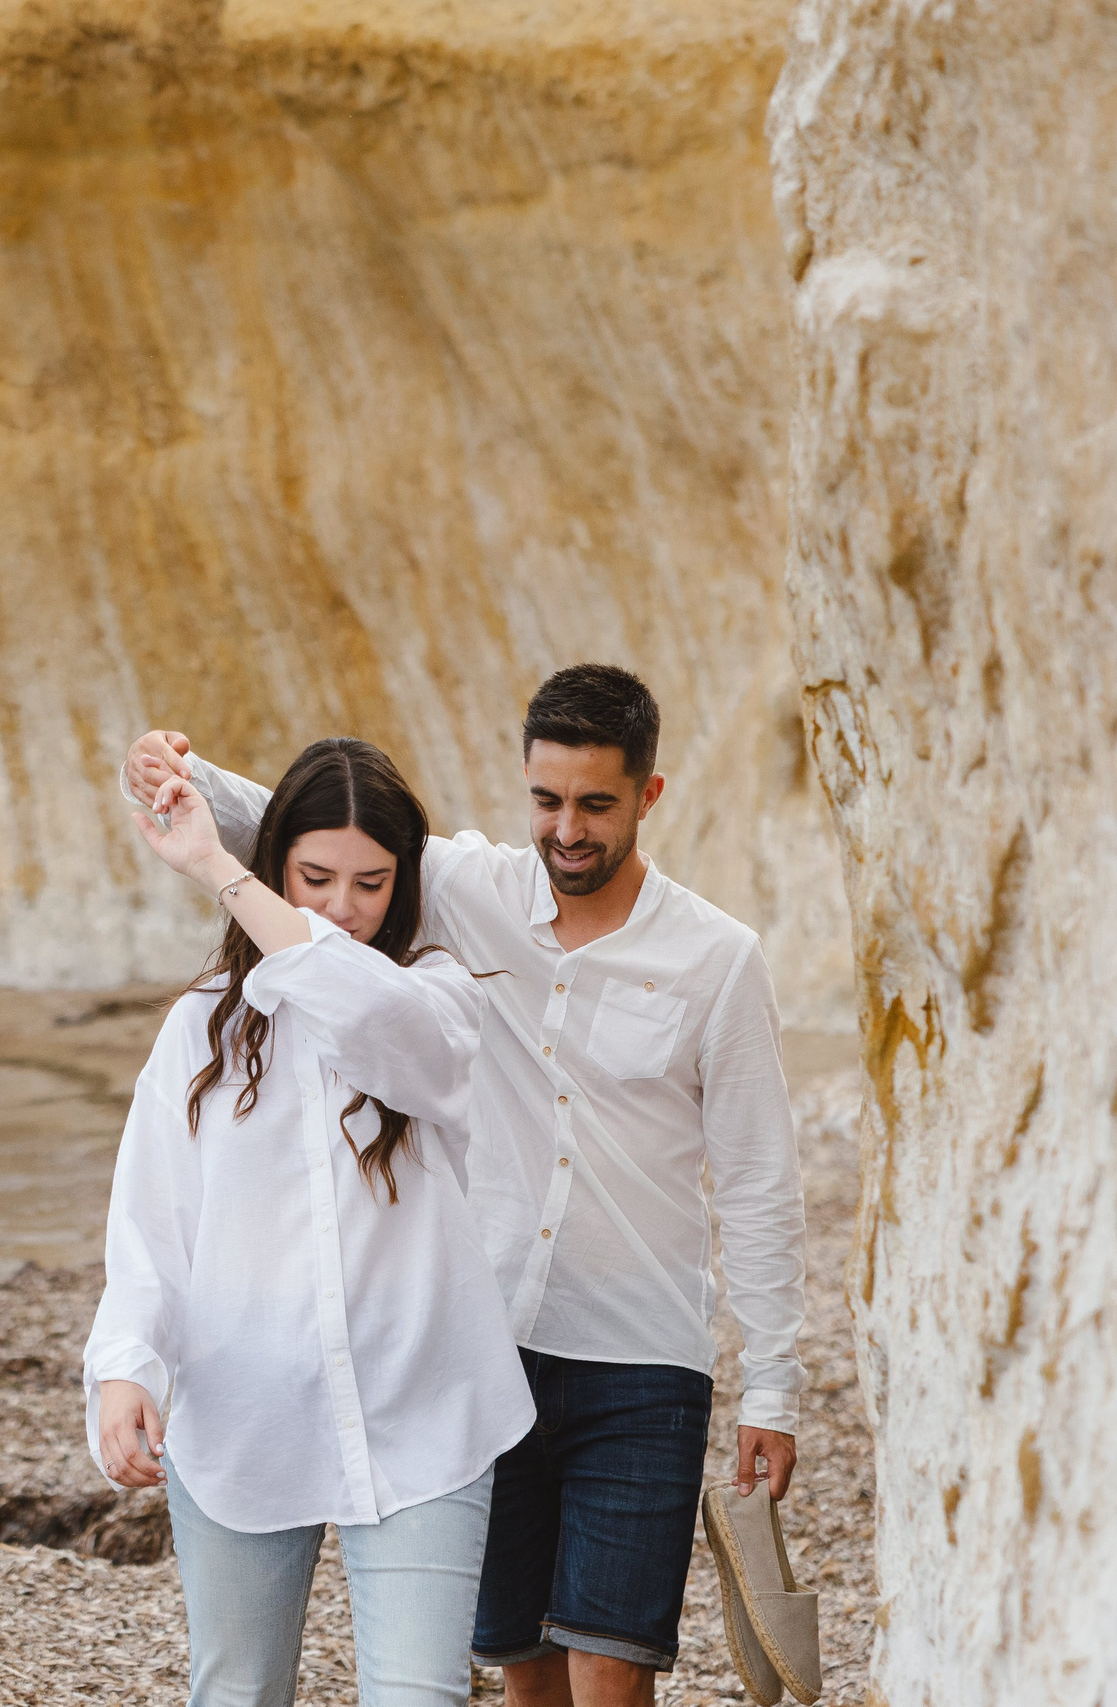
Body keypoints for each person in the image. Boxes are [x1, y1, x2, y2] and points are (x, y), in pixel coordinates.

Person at [119, 666, 808, 1707]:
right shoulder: (469, 889)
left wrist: (775, 1383)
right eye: (545, 800)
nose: (565, 829)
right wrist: (180, 776)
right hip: (491, 1344)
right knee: (519, 1664)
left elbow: (759, 1178)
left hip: (640, 1350)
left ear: (648, 797)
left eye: (594, 805)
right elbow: (317, 828)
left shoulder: (715, 957)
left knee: (612, 1664)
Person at [85, 737, 534, 1707]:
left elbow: (368, 1018)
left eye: (370, 882)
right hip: (241, 1416)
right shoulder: (201, 1029)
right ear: (281, 861)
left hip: (426, 1408)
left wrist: (216, 866)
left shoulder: (438, 1001)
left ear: (404, 883)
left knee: (423, 1695)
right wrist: (127, 1367)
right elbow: (153, 1230)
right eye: (315, 877)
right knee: (237, 1693)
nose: (342, 907)